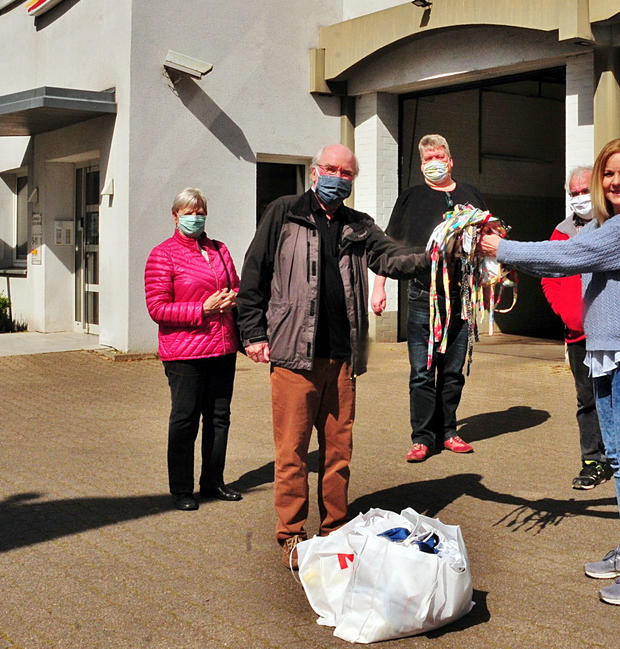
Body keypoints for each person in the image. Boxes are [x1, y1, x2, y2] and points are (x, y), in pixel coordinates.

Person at [479, 138, 620, 606]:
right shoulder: (609, 225)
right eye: (609, 175)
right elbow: (566, 250)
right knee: (619, 461)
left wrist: (500, 248)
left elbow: (569, 258)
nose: (616, 182)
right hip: (606, 352)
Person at [236, 144, 426, 569]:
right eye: (331, 169)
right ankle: (291, 534)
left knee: (338, 454)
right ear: (315, 171)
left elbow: (391, 257)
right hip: (293, 355)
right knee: (292, 453)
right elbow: (255, 272)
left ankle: (335, 529)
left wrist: (436, 257)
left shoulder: (358, 225)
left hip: (343, 358)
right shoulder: (284, 212)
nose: (338, 177)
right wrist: (251, 333)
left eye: (347, 172)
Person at [371, 135, 487, 463]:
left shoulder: (470, 195)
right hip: (424, 295)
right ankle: (422, 437)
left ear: (450, 161)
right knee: (422, 370)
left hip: (460, 297)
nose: (432, 163)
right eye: (425, 160)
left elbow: (488, 237)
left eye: (437, 157)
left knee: (452, 371)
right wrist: (379, 287)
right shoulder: (411, 198)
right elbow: (390, 244)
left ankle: (448, 430)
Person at [144, 188, 242, 512]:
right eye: (188, 211)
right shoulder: (163, 255)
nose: (195, 217)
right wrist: (203, 309)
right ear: (175, 216)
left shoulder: (219, 249)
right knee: (185, 420)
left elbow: (236, 286)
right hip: (184, 352)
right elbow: (157, 308)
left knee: (219, 418)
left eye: (199, 211)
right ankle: (182, 489)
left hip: (222, 347)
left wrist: (231, 298)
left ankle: (213, 481)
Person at [540, 166, 610, 491]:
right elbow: (550, 277)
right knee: (588, 399)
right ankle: (593, 460)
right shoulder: (561, 232)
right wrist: (570, 315)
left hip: (613, 333)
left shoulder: (615, 225)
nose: (580, 198)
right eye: (574, 193)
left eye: (585, 191)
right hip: (579, 334)